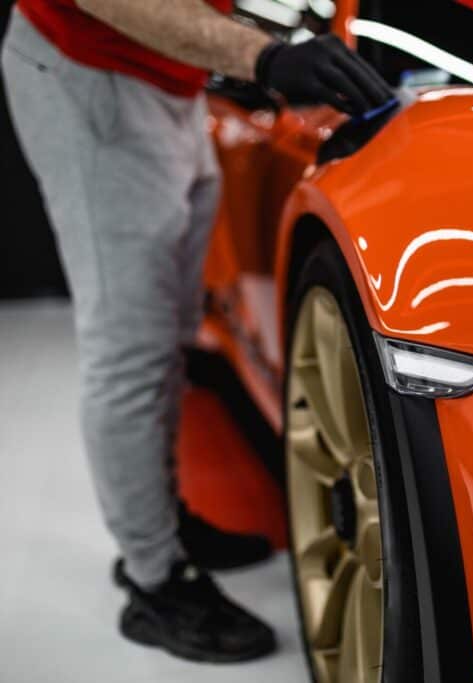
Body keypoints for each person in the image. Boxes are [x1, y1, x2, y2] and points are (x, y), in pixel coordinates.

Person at [1, 0, 392, 664]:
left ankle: (161, 520)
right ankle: (153, 580)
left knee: (173, 324)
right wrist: (263, 56)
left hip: (169, 74)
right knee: (132, 341)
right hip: (90, 68)